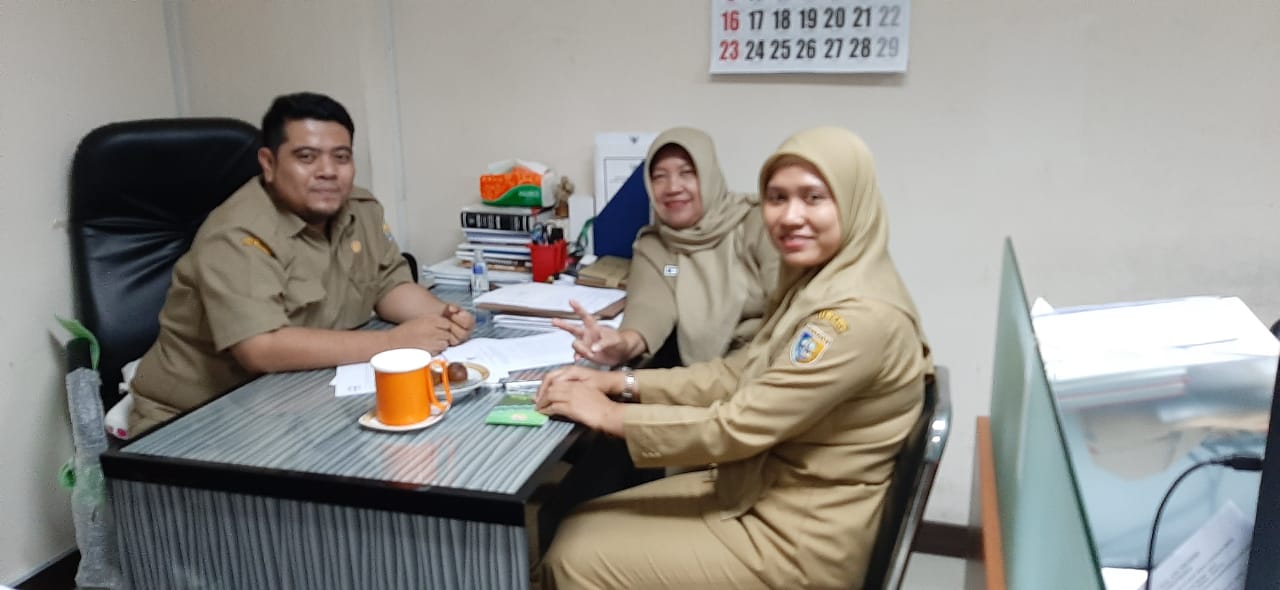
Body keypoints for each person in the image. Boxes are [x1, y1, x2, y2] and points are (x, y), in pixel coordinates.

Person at [533, 127, 933, 589]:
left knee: (572, 555)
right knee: (579, 520)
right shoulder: (813, 282)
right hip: (764, 481)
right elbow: (733, 367)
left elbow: (737, 425)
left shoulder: (849, 314)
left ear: (853, 200)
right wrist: (622, 378)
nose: (791, 216)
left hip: (796, 533)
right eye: (778, 198)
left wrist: (608, 414)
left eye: (814, 197)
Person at [127, 92, 473, 435]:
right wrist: (391, 345)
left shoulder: (360, 209)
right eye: (307, 157)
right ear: (269, 163)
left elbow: (388, 286)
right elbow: (261, 348)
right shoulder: (238, 233)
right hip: (200, 419)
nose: (328, 172)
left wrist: (441, 317)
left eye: (341, 157)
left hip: (299, 400)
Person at [555, 127, 778, 368]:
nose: (672, 187)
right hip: (696, 379)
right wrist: (622, 344)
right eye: (659, 176)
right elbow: (652, 304)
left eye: (687, 173)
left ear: (709, 175)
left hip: (766, 366)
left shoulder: (758, 225)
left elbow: (788, 309)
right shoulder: (658, 248)